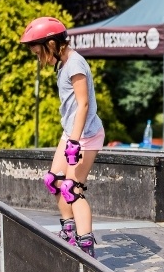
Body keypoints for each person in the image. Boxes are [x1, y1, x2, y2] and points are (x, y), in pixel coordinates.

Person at [20, 16, 104, 258]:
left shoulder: (75, 64)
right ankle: (68, 230)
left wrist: (75, 141)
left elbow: (84, 104)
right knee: (53, 180)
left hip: (85, 135)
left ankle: (86, 246)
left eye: (38, 51)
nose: (38, 57)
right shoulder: (63, 63)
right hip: (71, 132)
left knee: (72, 188)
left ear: (52, 44)